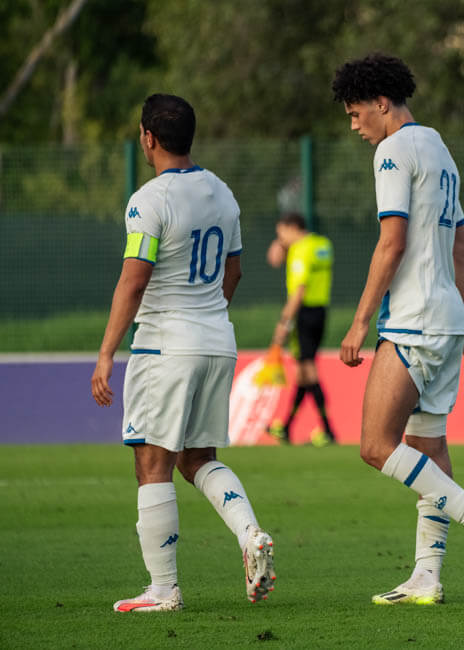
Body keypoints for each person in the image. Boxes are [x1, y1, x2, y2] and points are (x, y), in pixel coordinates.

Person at [331, 53, 464, 606]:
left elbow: (393, 243)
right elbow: (462, 245)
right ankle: (427, 575)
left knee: (374, 445)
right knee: (427, 446)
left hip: (413, 320)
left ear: (382, 103)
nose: (355, 125)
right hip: (447, 320)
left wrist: (359, 322)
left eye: (356, 113)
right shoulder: (439, 148)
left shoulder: (393, 152)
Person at [91, 94, 276, 612]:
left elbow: (134, 280)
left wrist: (105, 353)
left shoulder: (149, 201)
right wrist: (207, 320)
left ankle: (163, 589)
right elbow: (234, 271)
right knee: (197, 459)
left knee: (152, 462)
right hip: (217, 339)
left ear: (148, 137)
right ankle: (250, 534)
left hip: (165, 345)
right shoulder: (223, 194)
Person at [265, 212, 337, 447]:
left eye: (281, 234)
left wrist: (284, 322)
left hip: (304, 313)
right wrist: (282, 246)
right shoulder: (322, 244)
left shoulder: (300, 250)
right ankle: (286, 427)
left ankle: (328, 431)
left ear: (292, 227)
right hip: (321, 311)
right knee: (303, 373)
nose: (281, 239)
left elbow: (299, 291)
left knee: (308, 370)